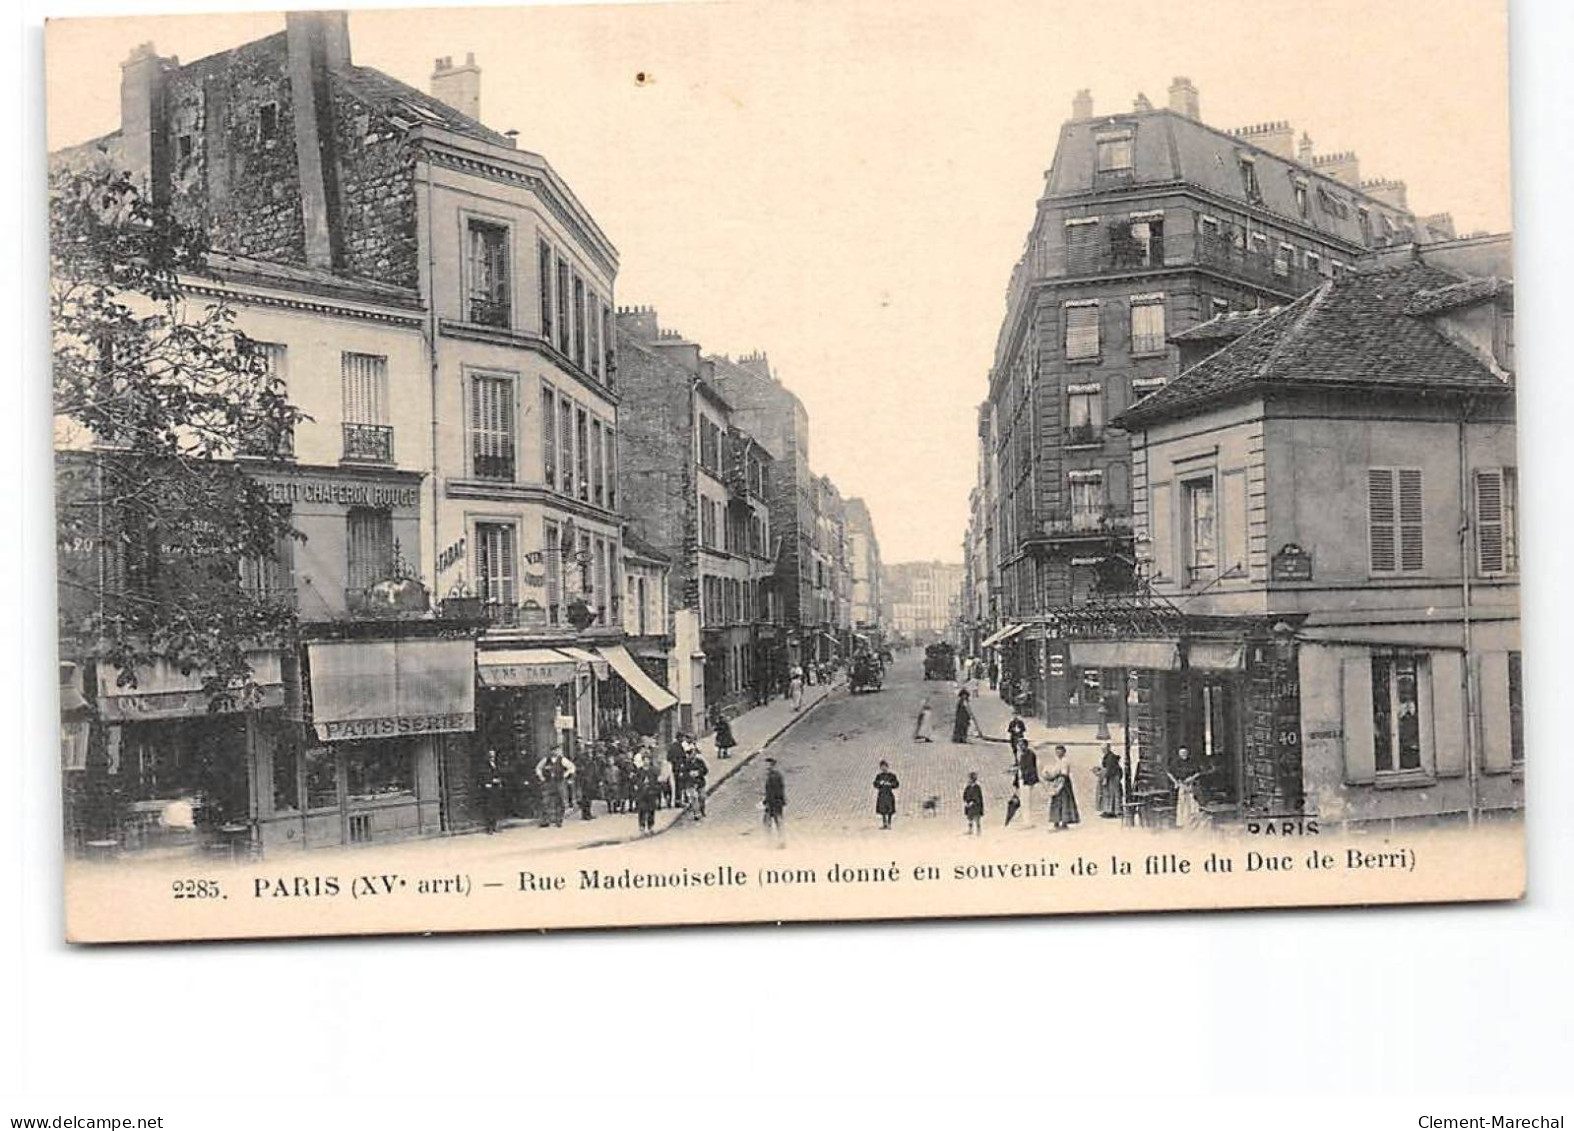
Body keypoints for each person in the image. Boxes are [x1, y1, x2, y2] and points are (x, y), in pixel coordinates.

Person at [535, 748, 576, 828]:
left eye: (556, 750)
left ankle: (559, 820)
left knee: (560, 801)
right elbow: (538, 768)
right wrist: (541, 777)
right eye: (553, 750)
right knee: (546, 801)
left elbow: (572, 767)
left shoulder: (562, 760)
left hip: (559, 782)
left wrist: (565, 775)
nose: (555, 752)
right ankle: (545, 820)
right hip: (548, 782)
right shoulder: (546, 760)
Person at [1169, 746, 1205, 830]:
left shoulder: (1192, 762)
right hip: (1181, 785)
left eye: (1185, 753)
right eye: (1182, 753)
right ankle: (1182, 823)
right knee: (1182, 804)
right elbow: (1169, 772)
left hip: (1191, 785)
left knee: (1192, 803)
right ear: (1179, 754)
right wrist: (1175, 782)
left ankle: (1193, 823)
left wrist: (1191, 778)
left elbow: (1198, 772)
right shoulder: (1176, 763)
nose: (1183, 755)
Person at [1045, 744, 1080, 830]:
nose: (1058, 753)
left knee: (1064, 802)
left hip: (1063, 783)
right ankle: (1056, 821)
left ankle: (1064, 822)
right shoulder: (1058, 761)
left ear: (1064, 752)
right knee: (1056, 802)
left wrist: (1056, 778)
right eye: (1057, 752)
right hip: (1058, 781)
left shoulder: (1065, 761)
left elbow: (1063, 773)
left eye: (1060, 752)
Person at [478, 749, 504, 834]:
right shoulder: (484, 765)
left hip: (495, 789)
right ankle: (489, 827)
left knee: (496, 807)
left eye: (494, 755)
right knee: (489, 808)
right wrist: (490, 782)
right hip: (488, 789)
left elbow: (498, 774)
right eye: (491, 756)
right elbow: (483, 776)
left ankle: (495, 825)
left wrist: (499, 781)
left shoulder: (496, 764)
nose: (492, 757)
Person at [763, 757, 787, 846]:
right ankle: (778, 840)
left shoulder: (774, 777)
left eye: (767, 765)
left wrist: (768, 802)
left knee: (771, 821)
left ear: (771, 766)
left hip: (774, 802)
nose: (766, 767)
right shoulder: (774, 775)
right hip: (776, 802)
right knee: (775, 821)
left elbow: (774, 791)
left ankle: (775, 841)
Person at [1016, 740, 1040, 829]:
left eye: (1022, 745)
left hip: (1027, 781)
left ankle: (1028, 822)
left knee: (1026, 802)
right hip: (1022, 780)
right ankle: (1025, 821)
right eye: (1019, 745)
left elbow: (1030, 768)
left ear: (1026, 745)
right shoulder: (1022, 754)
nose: (1020, 747)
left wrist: (1023, 774)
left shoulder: (1030, 754)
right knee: (1024, 801)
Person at [1097, 744, 1124, 819]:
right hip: (1113, 776)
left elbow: (1109, 769)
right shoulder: (1108, 756)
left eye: (1104, 749)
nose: (1103, 750)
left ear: (1108, 748)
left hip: (1113, 776)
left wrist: (1105, 778)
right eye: (1102, 749)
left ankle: (1116, 811)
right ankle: (1110, 810)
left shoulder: (1110, 757)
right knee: (1110, 794)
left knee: (1113, 794)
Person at [872, 761, 900, 830]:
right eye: (882, 767)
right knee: (883, 810)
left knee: (889, 809)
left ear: (887, 767)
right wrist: (880, 783)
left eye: (885, 767)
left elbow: (896, 784)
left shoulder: (892, 776)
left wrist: (890, 784)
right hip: (881, 795)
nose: (883, 768)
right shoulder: (879, 776)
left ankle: (889, 823)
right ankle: (884, 823)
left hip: (889, 794)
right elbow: (875, 784)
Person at [635, 765, 662, 835]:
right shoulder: (639, 771)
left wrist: (655, 788)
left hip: (651, 792)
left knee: (651, 810)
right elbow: (636, 780)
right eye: (644, 760)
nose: (646, 762)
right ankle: (642, 826)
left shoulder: (653, 770)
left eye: (647, 760)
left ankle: (650, 826)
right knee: (642, 809)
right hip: (642, 793)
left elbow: (657, 781)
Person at [963, 771, 984, 836]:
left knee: (977, 818)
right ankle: (970, 830)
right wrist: (966, 801)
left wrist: (973, 802)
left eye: (970, 779)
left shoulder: (977, 787)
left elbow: (978, 797)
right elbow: (965, 795)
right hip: (969, 806)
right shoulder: (968, 787)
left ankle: (978, 830)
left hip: (976, 806)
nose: (969, 780)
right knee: (970, 818)